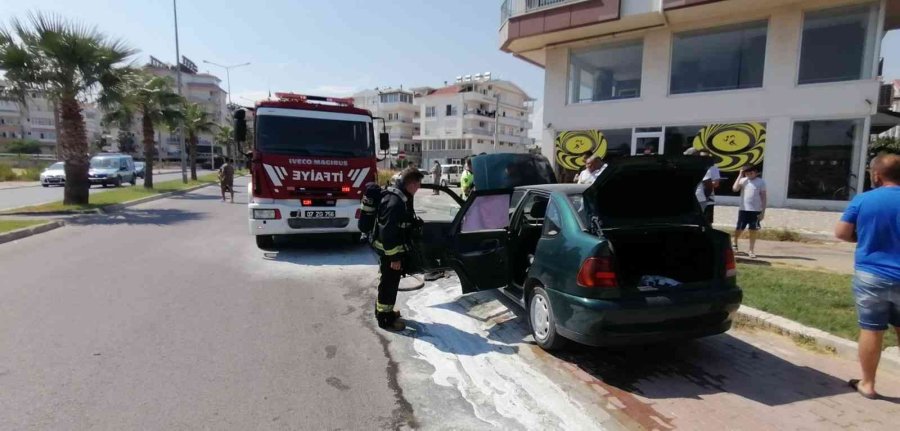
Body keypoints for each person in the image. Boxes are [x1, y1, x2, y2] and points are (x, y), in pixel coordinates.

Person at [834, 154, 900, 400]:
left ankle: (868, 384)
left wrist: (863, 238)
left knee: (872, 329)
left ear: (877, 175)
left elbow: (841, 232)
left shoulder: (863, 199)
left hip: (872, 275)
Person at [372, 167, 424, 331]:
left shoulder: (400, 198)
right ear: (411, 183)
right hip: (390, 254)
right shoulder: (396, 202)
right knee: (388, 285)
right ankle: (385, 319)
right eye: (418, 184)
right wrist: (394, 258)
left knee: (389, 284)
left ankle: (385, 312)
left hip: (391, 252)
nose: (419, 188)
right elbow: (388, 233)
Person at [732, 164, 766, 258]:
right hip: (743, 209)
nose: (749, 174)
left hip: (755, 211)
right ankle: (734, 242)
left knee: (753, 230)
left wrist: (763, 212)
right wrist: (740, 175)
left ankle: (751, 249)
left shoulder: (761, 182)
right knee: (739, 228)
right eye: (747, 172)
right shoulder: (743, 181)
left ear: (756, 172)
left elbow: (763, 197)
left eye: (751, 172)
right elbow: (735, 189)